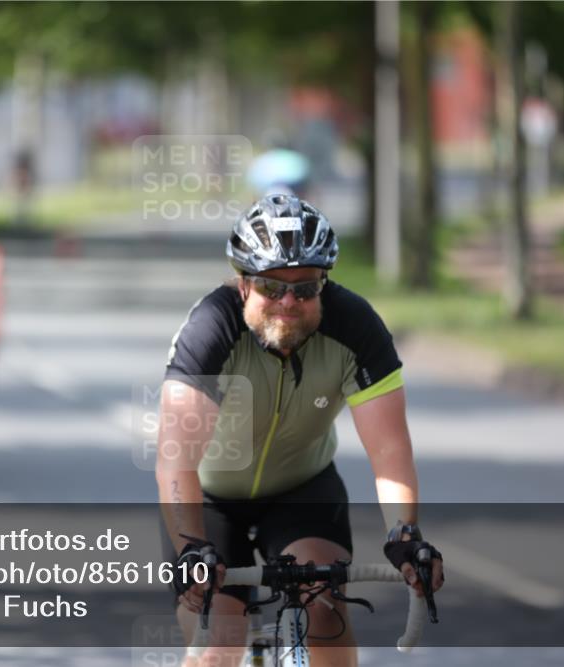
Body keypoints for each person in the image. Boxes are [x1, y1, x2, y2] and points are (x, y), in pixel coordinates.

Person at [157, 194, 444, 667]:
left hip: (301, 489)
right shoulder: (210, 329)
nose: (289, 302)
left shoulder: (356, 328)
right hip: (207, 500)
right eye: (272, 287)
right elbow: (176, 458)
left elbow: (390, 450)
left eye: (306, 289)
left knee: (324, 610)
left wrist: (404, 530)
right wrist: (190, 545)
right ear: (244, 284)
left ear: (323, 285)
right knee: (218, 644)